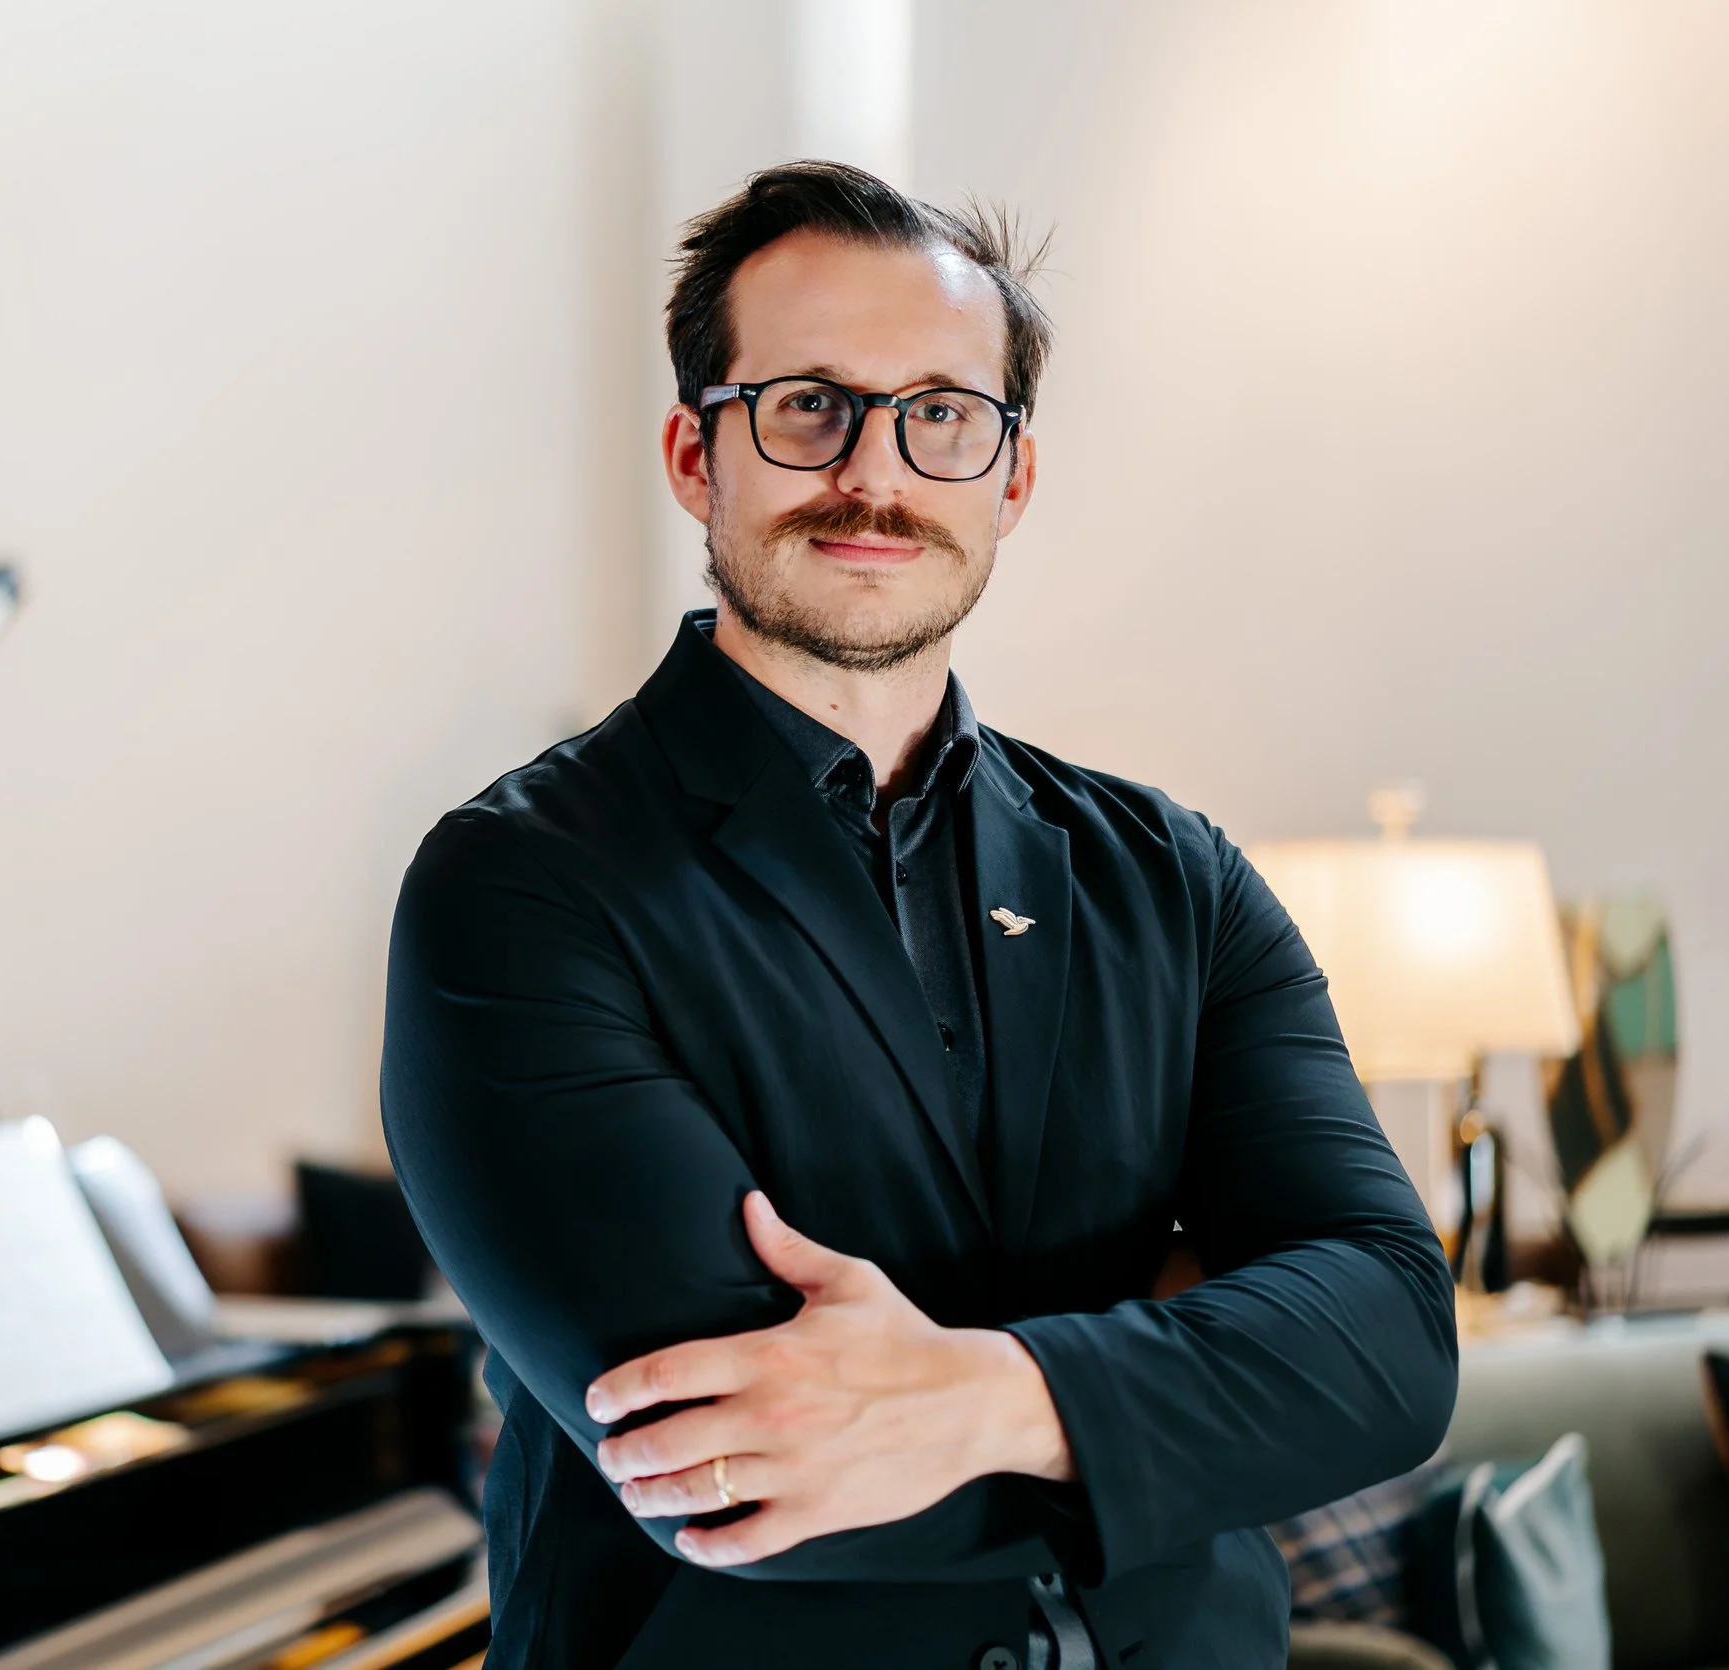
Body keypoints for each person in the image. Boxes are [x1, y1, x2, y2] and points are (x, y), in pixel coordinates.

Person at [380, 161, 1456, 1669]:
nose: (874, 472)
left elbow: (1392, 1346)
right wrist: (1197, 1378)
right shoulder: (519, 885)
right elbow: (730, 1465)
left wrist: (973, 1394)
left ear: (1010, 475)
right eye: (808, 404)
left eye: (942, 414)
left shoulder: (1175, 870)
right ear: (699, 456)